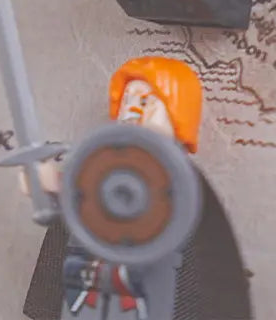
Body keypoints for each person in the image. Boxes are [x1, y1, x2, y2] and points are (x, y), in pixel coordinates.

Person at [22, 56, 253, 320]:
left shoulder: (182, 181)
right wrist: (47, 183)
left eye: (145, 102)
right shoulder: (102, 164)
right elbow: (82, 198)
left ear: (177, 112)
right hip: (89, 285)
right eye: (126, 101)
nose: (131, 110)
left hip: (151, 293)